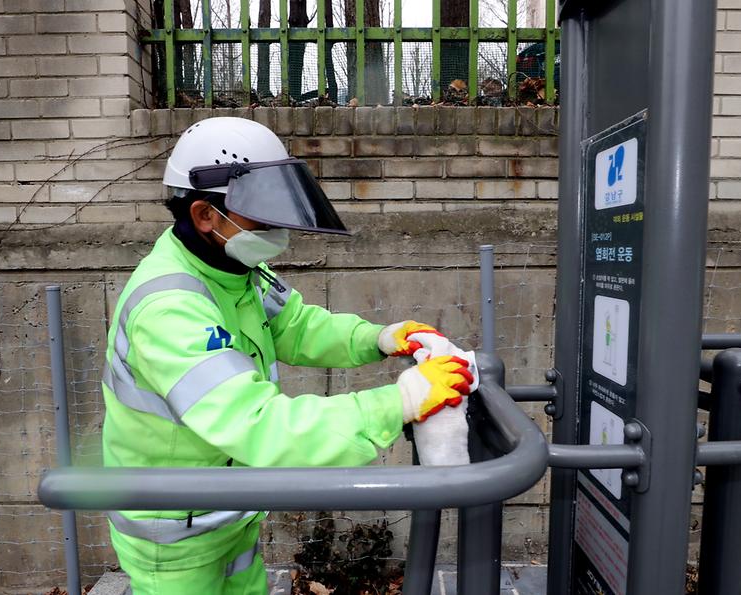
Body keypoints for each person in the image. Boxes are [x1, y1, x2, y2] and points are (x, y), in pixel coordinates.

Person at [100, 117, 474, 595]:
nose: (277, 225)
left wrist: (378, 337)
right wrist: (396, 403)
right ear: (205, 215)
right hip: (174, 531)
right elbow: (258, 423)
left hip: (227, 507)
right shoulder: (170, 307)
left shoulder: (235, 267)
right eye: (262, 210)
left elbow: (297, 326)